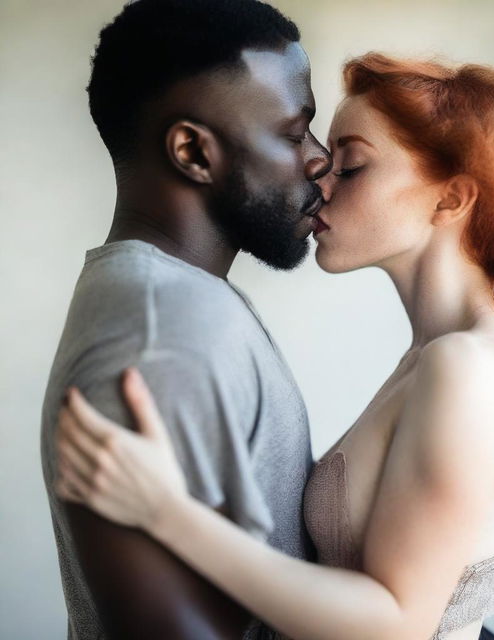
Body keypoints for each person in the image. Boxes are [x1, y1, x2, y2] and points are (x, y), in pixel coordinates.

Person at [54, 50, 494, 640]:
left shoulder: (468, 366)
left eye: (352, 166)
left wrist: (167, 513)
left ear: (450, 199)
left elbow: (397, 624)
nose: (319, 180)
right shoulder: (436, 352)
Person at [40, 1, 333, 638]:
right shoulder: (165, 333)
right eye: (292, 132)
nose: (320, 158)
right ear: (192, 152)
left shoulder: (180, 301)